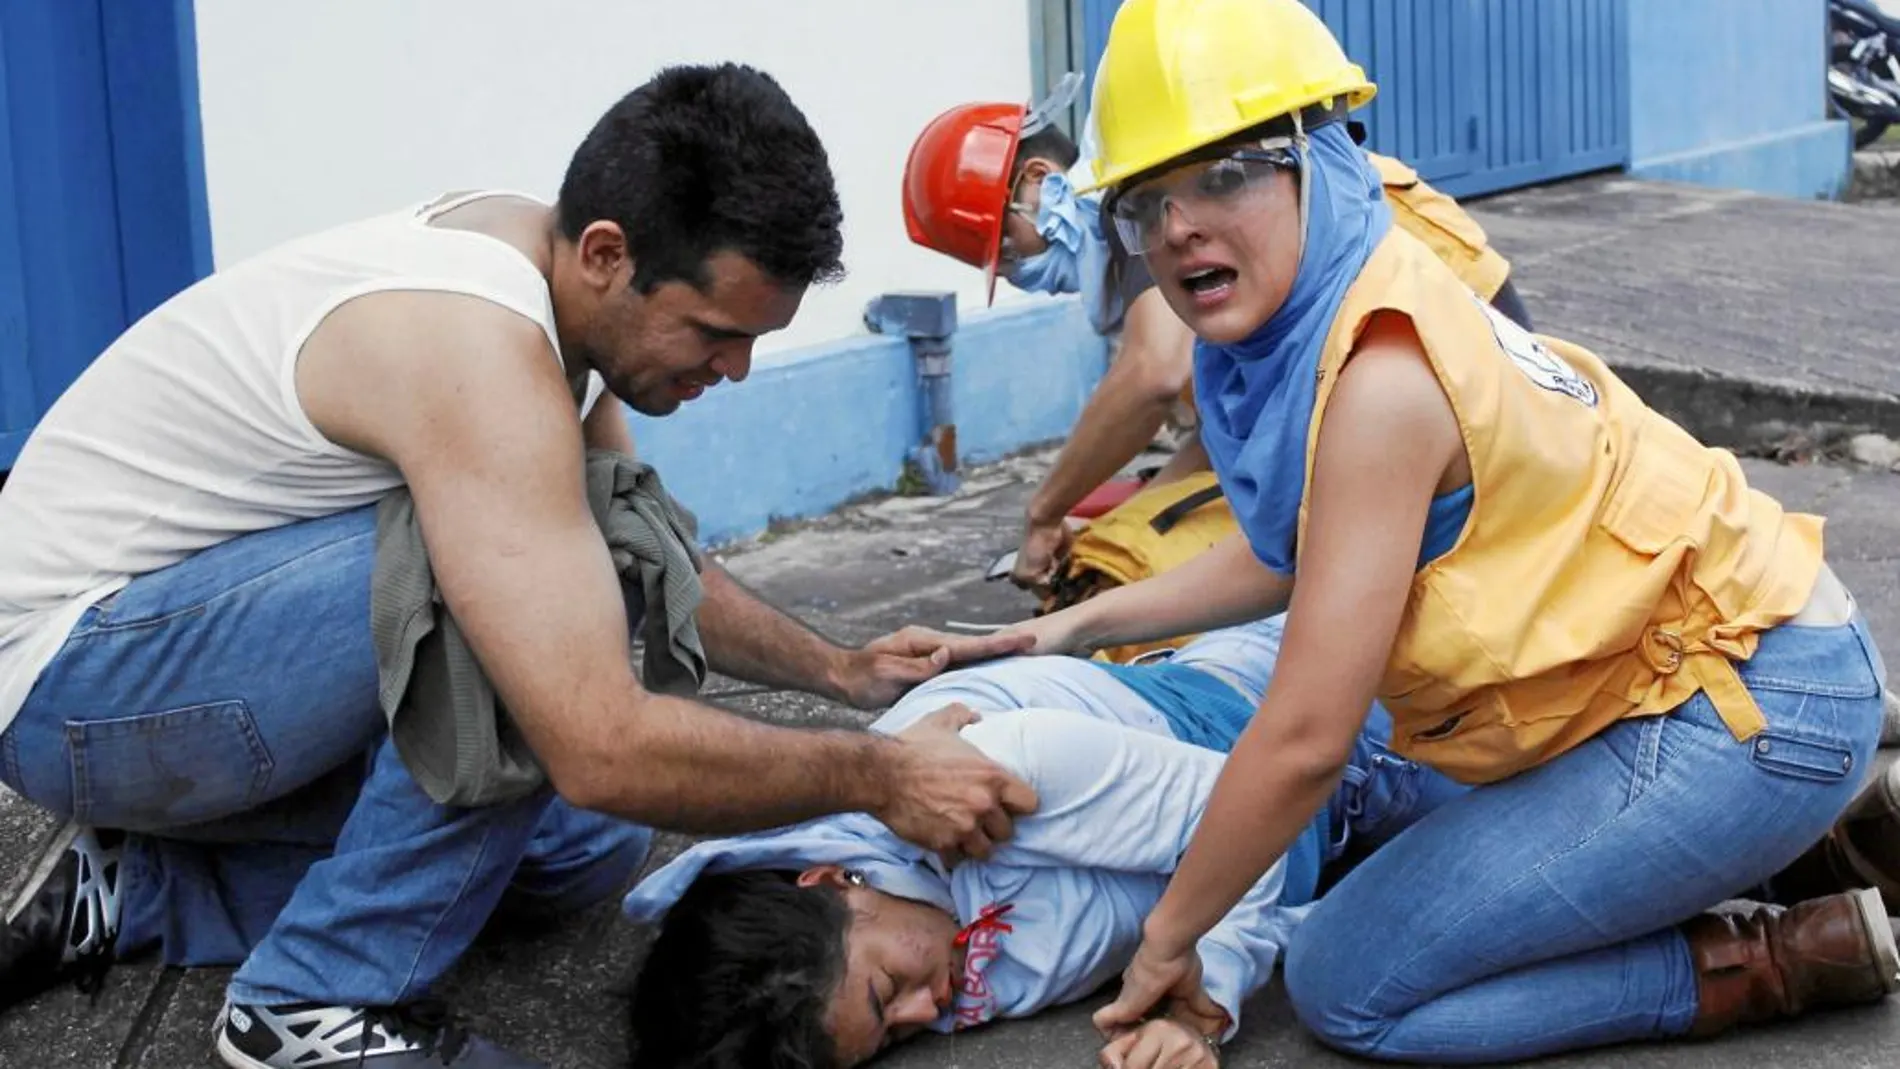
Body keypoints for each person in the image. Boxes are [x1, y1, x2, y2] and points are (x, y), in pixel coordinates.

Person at [0, 64, 1031, 1069]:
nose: (735, 369)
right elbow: (597, 739)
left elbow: (644, 559)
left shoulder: (554, 287)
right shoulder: (477, 351)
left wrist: (841, 674)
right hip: (75, 681)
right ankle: (312, 998)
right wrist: (878, 776)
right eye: (717, 333)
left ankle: (132, 891)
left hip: (205, 667)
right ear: (606, 253)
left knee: (588, 842)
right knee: (513, 635)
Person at [987, 0, 1900, 1062]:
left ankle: (1771, 957)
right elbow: (1300, 554)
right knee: (1396, 793)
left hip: (1741, 704)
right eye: (1149, 198)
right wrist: (1073, 628)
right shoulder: (1320, 307)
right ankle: (1815, 849)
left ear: (1314, 158)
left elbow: (1301, 740)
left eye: (1226, 173)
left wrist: (1167, 945)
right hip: (1701, 671)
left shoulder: (1376, 379)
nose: (1181, 223)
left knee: (1345, 979)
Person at [621, 615, 1474, 1069]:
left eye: (889, 992)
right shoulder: (899, 934)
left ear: (831, 880)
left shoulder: (985, 777)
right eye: (890, 1041)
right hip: (1322, 829)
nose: (930, 1012)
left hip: (1349, 717)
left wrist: (1202, 1001)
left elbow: (1251, 816)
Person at [902, 78, 1534, 590]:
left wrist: (1042, 513)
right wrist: (1128, 523)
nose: (1019, 274)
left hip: (1483, 431)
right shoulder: (1153, 230)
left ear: (1037, 182)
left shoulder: (1151, 214)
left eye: (1007, 253)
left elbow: (1154, 375)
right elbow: (1232, 434)